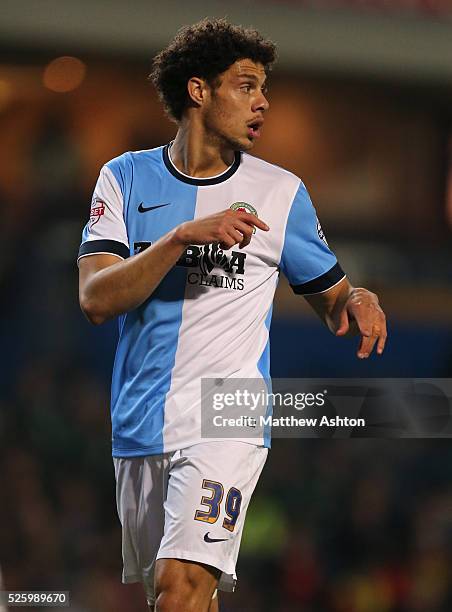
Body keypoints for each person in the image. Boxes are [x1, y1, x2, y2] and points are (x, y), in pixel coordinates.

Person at [78, 18, 387, 612]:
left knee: (180, 587)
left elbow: (333, 300)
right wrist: (181, 239)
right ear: (199, 91)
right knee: (181, 595)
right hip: (140, 419)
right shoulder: (122, 179)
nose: (263, 102)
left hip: (229, 412)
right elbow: (95, 299)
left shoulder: (280, 192)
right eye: (246, 86)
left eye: (264, 89)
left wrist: (358, 298)